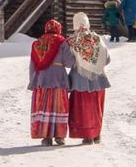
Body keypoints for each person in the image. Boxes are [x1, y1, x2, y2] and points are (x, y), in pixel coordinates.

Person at [67, 12, 111, 146]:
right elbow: (107, 59)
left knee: (83, 108)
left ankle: (87, 136)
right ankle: (96, 134)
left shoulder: (72, 40)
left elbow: (69, 61)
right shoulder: (97, 39)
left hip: (80, 80)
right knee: (96, 107)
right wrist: (95, 65)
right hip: (98, 79)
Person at [29, 19, 73, 146]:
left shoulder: (37, 43)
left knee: (44, 106)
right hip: (58, 78)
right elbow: (69, 62)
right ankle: (59, 135)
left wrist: (33, 80)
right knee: (59, 105)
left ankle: (46, 136)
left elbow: (33, 65)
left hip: (41, 79)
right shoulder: (62, 42)